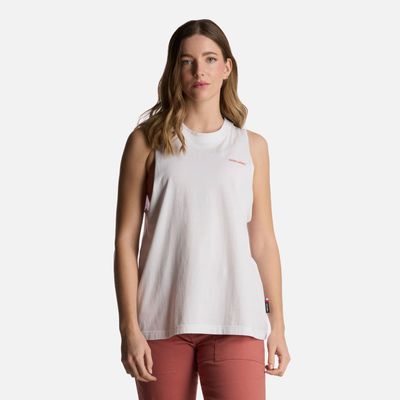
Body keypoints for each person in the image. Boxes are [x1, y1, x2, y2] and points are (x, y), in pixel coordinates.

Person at [113, 19, 291, 400]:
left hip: (236, 320)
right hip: (161, 323)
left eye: (210, 59)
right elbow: (126, 240)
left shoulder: (252, 146)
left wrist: (277, 324)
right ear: (174, 69)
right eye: (187, 61)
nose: (199, 71)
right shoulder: (146, 142)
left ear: (227, 67)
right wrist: (129, 327)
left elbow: (263, 241)